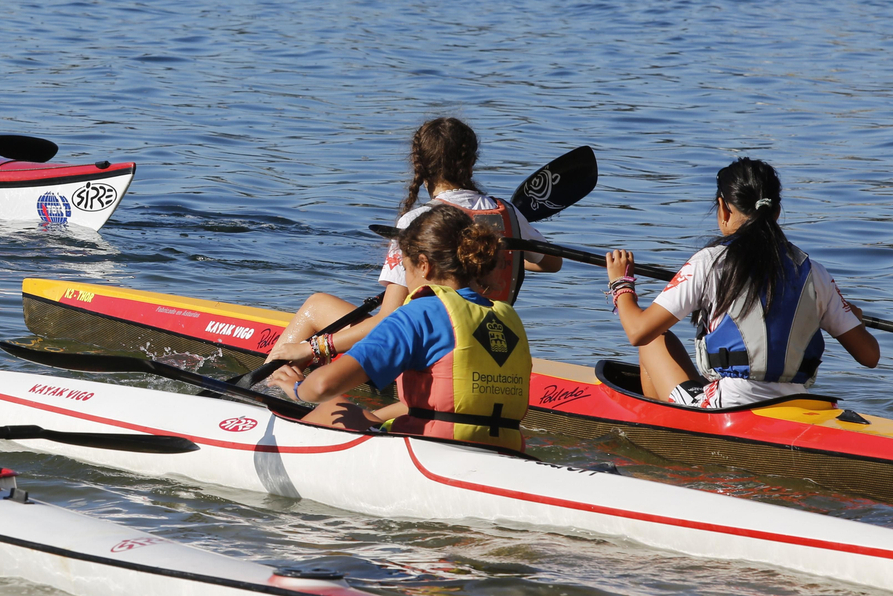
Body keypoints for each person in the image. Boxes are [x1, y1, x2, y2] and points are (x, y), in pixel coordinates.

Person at [264, 117, 561, 370]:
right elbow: (551, 262)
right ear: (472, 162)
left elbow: (388, 319)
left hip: (430, 345)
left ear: (419, 164)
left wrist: (317, 347)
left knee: (317, 305)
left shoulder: (417, 221)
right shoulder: (507, 212)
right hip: (493, 339)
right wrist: (498, 254)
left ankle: (272, 383)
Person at [605, 157, 878, 408]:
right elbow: (869, 356)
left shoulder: (708, 262)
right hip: (798, 406)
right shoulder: (814, 272)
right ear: (777, 212)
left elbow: (638, 332)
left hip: (729, 407)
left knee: (654, 339)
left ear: (723, 209)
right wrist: (855, 322)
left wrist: (621, 284)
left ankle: (662, 432)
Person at [269, 204, 530, 453]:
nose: (406, 278)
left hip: (433, 451)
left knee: (332, 405)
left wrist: (296, 388)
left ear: (424, 265)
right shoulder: (508, 316)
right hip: (505, 449)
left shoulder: (419, 313)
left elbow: (324, 385)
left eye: (406, 268)